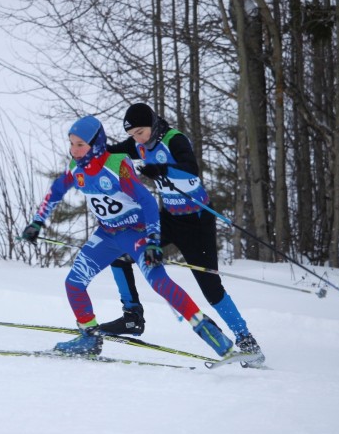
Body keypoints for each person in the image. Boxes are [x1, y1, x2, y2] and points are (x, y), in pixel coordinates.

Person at [20, 115, 236, 359]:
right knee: (74, 283)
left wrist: (154, 241)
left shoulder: (116, 165)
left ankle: (216, 339)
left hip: (136, 234)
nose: (74, 150)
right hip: (107, 234)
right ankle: (89, 338)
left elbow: (148, 202)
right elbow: (56, 191)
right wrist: (37, 222)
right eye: (71, 144)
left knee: (160, 284)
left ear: (96, 143)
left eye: (80, 144)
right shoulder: (76, 169)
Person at [101, 102, 265, 365]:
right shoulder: (139, 144)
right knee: (121, 254)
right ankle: (132, 316)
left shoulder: (174, 139)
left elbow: (191, 168)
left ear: (153, 124)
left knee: (211, 288)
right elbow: (111, 152)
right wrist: (88, 153)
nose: (136, 139)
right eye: (133, 136)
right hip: (169, 219)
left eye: (140, 132)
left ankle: (246, 340)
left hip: (197, 222)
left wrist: (162, 169)